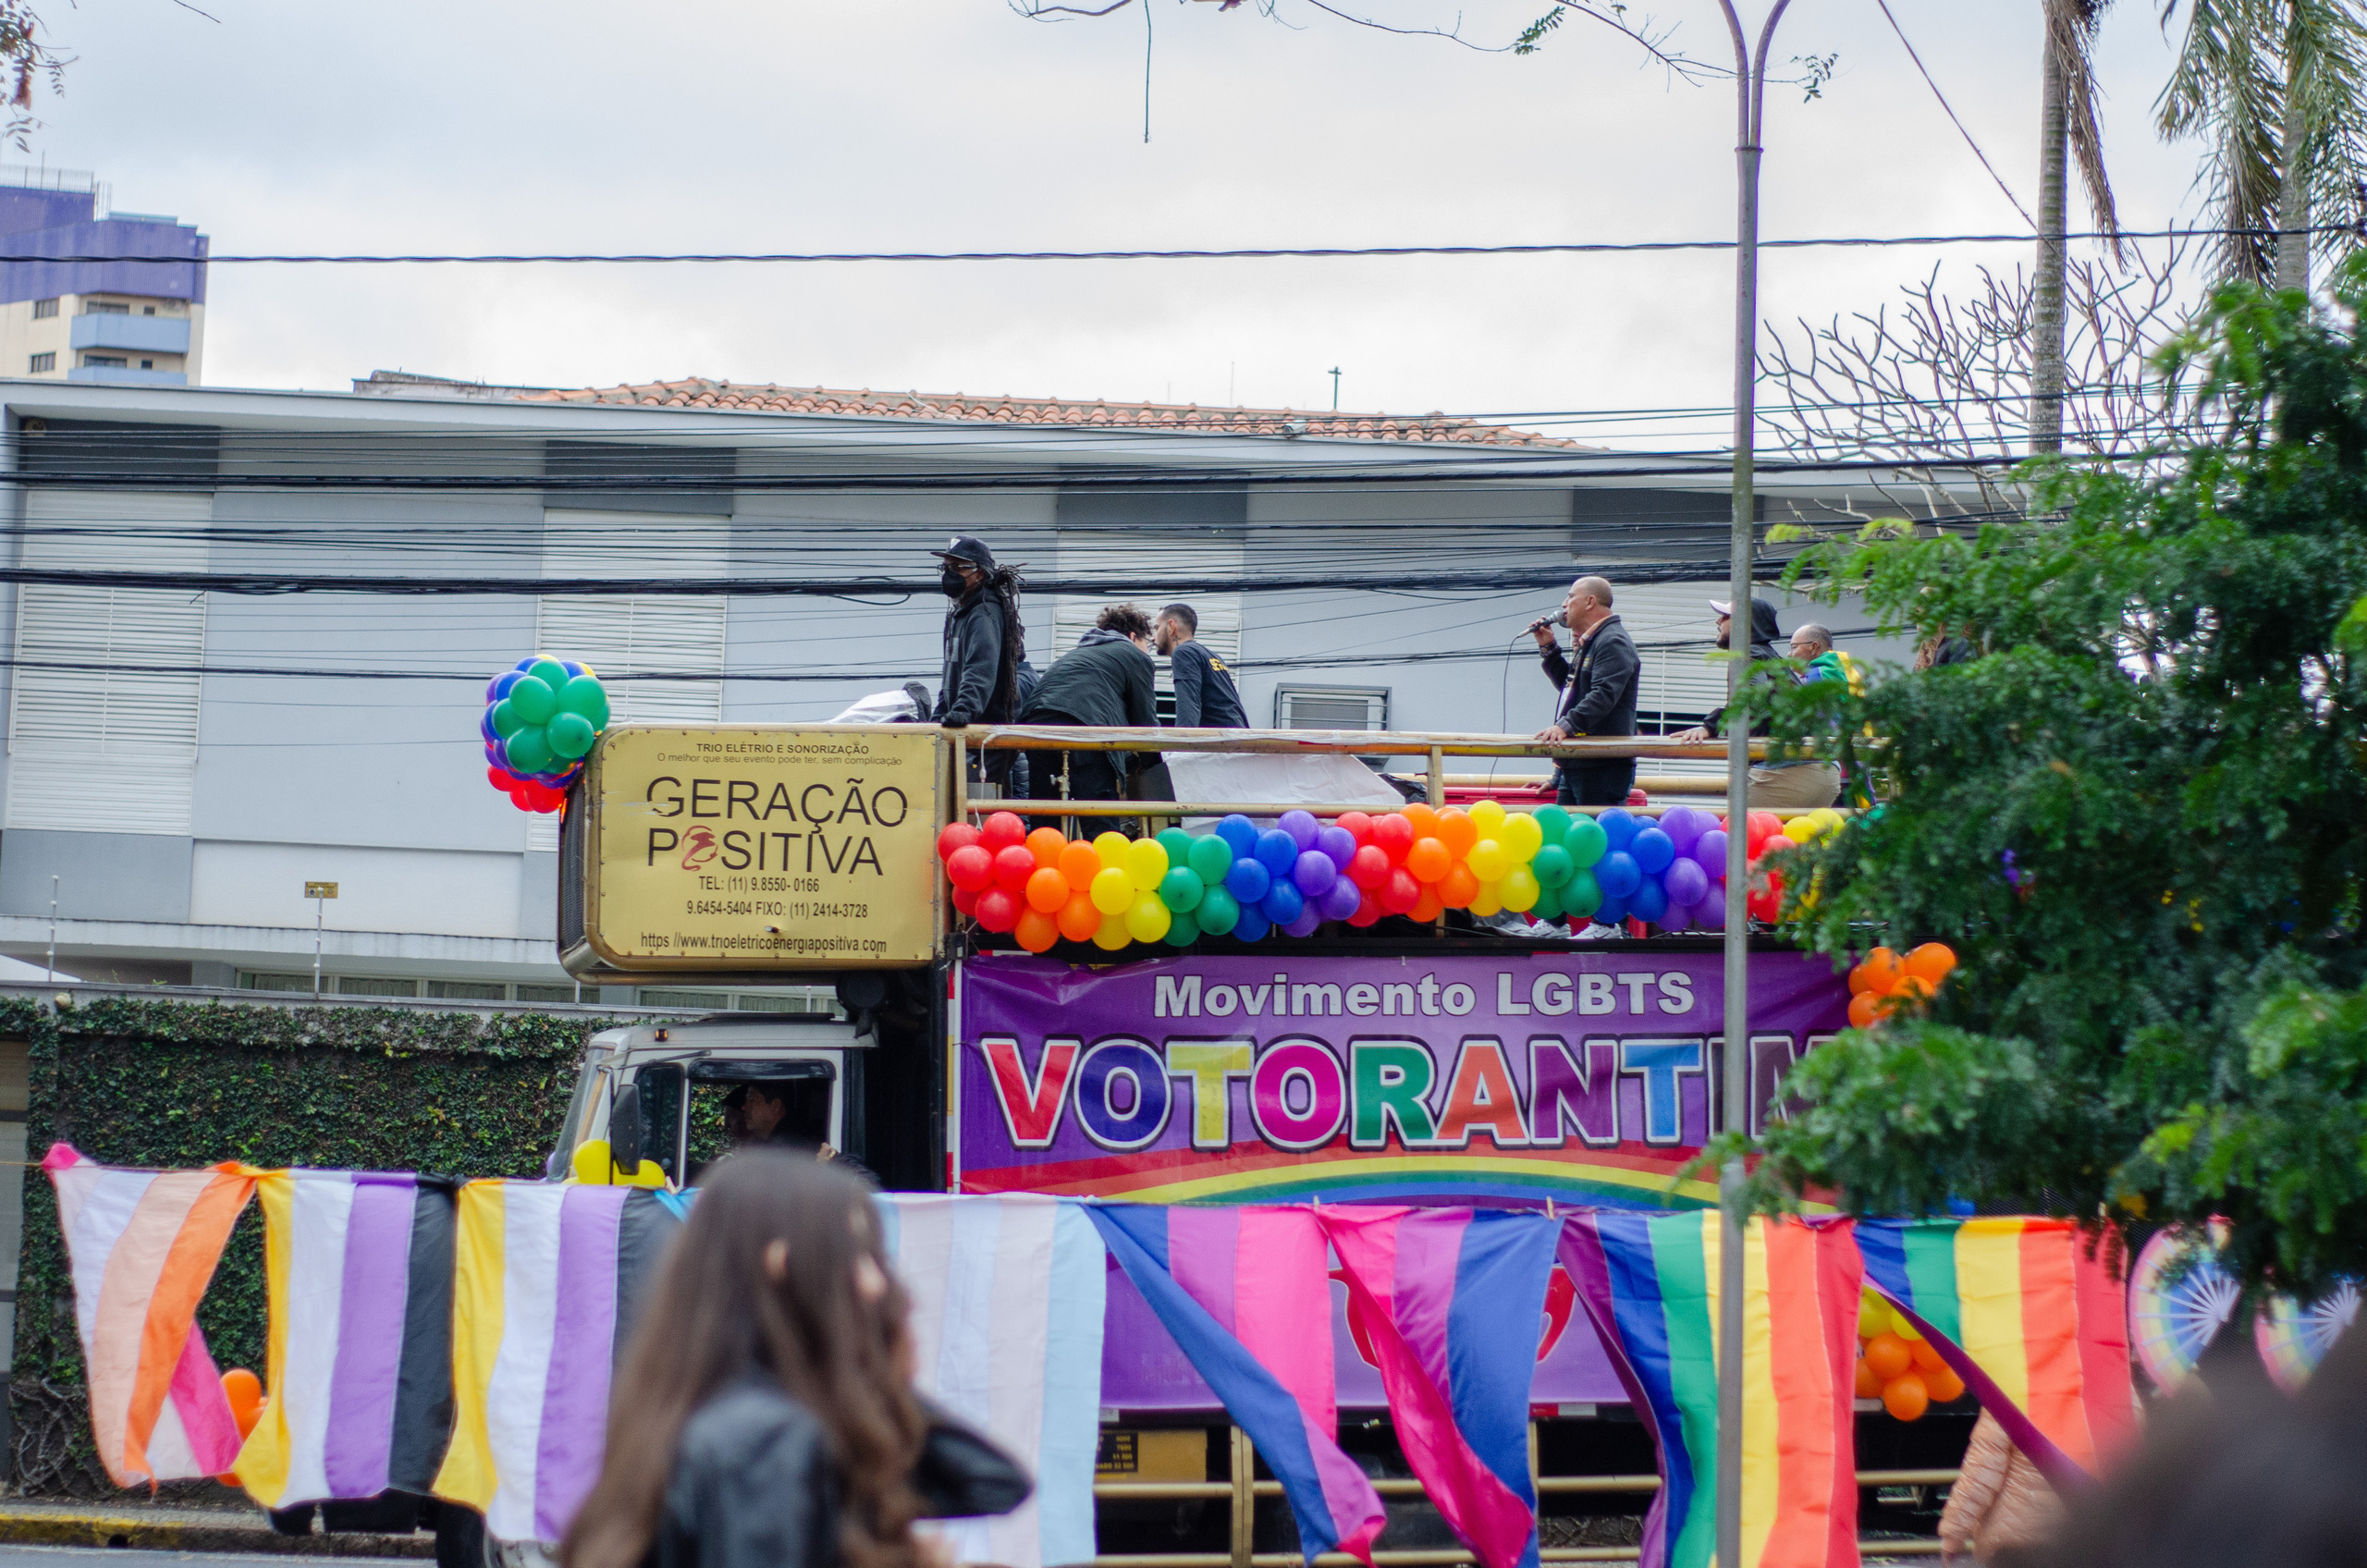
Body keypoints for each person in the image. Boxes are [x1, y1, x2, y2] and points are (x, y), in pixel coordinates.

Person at [560, 1153, 935, 1568]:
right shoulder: (764, 1435)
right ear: (781, 1264)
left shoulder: (703, 1401)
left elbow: (983, 1481)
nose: (879, 1282)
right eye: (854, 1255)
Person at [1668, 598, 1840, 810]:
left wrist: (1710, 726)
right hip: (1819, 770)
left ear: (1745, 623)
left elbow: (1752, 698)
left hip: (1788, 771)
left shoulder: (1749, 656)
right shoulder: (1769, 657)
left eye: (1726, 616)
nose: (1718, 621)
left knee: (1736, 829)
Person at [1017, 604, 1160, 815]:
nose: (1148, 650)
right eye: (1147, 642)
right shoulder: (1134, 655)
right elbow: (1145, 720)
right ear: (1133, 637)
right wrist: (1152, 764)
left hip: (1035, 727)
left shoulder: (1075, 655)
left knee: (1046, 816)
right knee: (1098, 816)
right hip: (1084, 730)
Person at [1530, 576, 1640, 807]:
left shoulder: (1612, 641)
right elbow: (1573, 689)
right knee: (1571, 829)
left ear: (1590, 601)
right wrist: (1549, 649)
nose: (1564, 604)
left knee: (1593, 829)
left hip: (1601, 766)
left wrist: (1565, 726)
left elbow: (1604, 694)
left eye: (1571, 596)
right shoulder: (1593, 641)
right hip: (1577, 762)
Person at [930, 537, 1026, 790]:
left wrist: (963, 710)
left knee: (976, 807)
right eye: (945, 567)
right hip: (969, 733)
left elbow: (980, 669)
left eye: (957, 567)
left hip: (984, 737)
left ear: (980, 574)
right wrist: (938, 717)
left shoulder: (984, 613)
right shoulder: (961, 613)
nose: (949, 574)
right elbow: (951, 679)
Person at [1154, 605, 1247, 729]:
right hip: (1236, 733)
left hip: (1220, 737)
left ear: (1171, 626)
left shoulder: (1184, 652)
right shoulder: (1211, 655)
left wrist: (1181, 738)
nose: (1153, 637)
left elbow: (1188, 706)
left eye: (1157, 628)